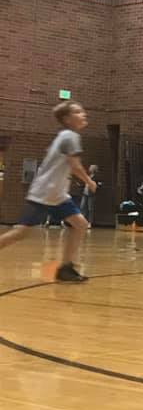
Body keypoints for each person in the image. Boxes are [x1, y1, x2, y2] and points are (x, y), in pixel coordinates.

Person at [0, 102, 97, 282]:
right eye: (77, 111)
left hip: (57, 194)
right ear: (67, 119)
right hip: (46, 193)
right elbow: (74, 165)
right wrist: (89, 181)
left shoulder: (64, 136)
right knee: (20, 232)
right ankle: (66, 268)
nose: (83, 114)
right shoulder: (70, 137)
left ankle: (66, 269)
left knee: (81, 225)